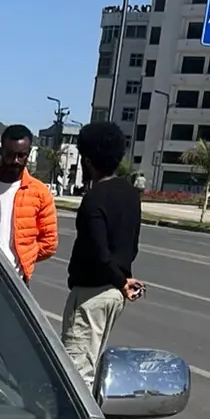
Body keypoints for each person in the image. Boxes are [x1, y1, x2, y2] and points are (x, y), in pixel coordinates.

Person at [61, 118, 144, 387]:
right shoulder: (131, 195)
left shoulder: (94, 200)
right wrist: (122, 281)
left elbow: (98, 251)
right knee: (91, 362)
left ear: (87, 160)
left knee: (76, 373)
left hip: (91, 294)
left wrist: (120, 280)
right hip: (115, 294)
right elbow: (131, 246)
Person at [0, 125, 58, 283]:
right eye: (10, 155)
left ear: (28, 154)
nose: (15, 161)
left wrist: (26, 256)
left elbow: (49, 242)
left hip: (17, 283)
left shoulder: (40, 193)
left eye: (21, 155)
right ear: (0, 151)